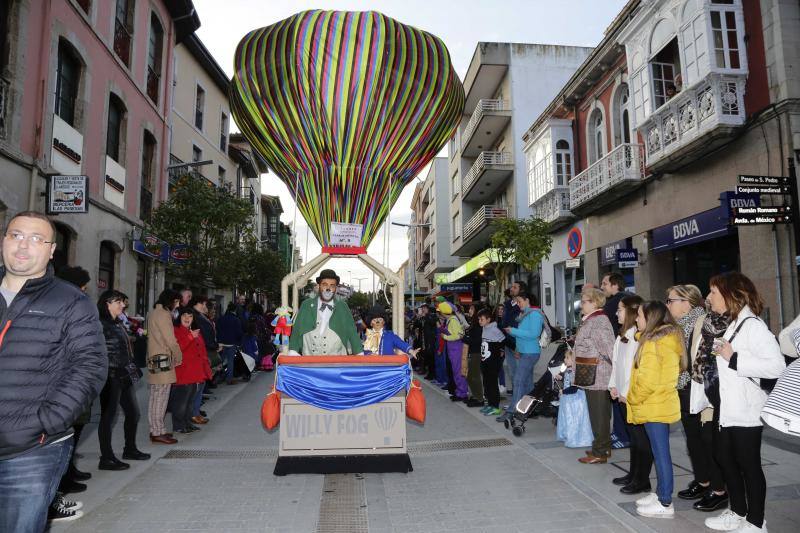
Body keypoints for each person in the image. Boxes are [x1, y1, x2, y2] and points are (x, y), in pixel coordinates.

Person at [0, 211, 107, 531]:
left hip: (30, 449)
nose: (23, 246)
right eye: (16, 235)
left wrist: (46, 422)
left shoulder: (70, 301)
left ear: (50, 251)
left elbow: (89, 366)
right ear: (4, 241)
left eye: (36, 239)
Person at [703, 272, 785, 533]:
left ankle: (756, 521)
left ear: (730, 295)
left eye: (714, 292)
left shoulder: (753, 325)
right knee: (725, 458)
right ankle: (738, 512)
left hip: (747, 410)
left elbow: (777, 366)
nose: (709, 297)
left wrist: (734, 357)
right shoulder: (735, 323)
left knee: (748, 465)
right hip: (729, 409)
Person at [666, 285, 728, 512]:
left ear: (686, 302)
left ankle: (718, 488)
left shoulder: (701, 321)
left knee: (706, 439)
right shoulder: (677, 325)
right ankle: (703, 481)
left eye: (671, 300)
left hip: (698, 388)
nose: (668, 304)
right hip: (684, 387)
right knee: (693, 439)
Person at [628, 301, 683, 518]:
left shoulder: (654, 343)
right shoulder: (663, 339)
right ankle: (661, 492)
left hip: (654, 404)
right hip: (659, 403)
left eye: (639, 316)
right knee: (659, 452)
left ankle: (665, 502)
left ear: (650, 318)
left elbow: (647, 381)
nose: (636, 319)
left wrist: (632, 397)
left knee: (661, 454)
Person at [96, 289, 150, 472]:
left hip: (124, 373)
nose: (122, 305)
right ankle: (107, 457)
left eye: (122, 302)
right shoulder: (101, 324)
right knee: (108, 417)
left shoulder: (117, 323)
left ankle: (130, 449)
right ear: (107, 304)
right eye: (117, 302)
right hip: (111, 376)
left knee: (133, 413)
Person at [608, 294, 652, 494]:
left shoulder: (637, 336)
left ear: (631, 312)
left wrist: (625, 392)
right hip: (622, 394)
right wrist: (613, 386)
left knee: (640, 439)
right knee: (633, 438)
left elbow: (635, 369)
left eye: (620, 309)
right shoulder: (623, 334)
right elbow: (617, 365)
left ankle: (642, 480)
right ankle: (633, 474)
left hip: (632, 395)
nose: (617, 312)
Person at [575, 288, 616, 464]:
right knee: (598, 413)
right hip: (591, 373)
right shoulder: (591, 320)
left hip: (598, 375)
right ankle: (601, 446)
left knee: (599, 415)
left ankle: (600, 452)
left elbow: (609, 348)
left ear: (595, 303)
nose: (581, 305)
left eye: (584, 301)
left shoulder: (599, 321)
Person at [288, 269, 363, 355]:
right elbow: (297, 328)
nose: (328, 288)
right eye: (325, 284)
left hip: (336, 361)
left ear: (335, 288)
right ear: (319, 286)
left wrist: (358, 352)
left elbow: (351, 331)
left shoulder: (342, 306)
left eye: (332, 285)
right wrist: (293, 349)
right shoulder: (306, 305)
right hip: (309, 361)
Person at [500, 292, 544, 422]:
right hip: (526, 352)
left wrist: (513, 331)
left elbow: (533, 334)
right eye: (517, 302)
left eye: (519, 301)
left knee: (518, 381)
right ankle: (531, 409)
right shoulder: (524, 314)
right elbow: (523, 335)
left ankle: (512, 411)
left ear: (527, 300)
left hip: (531, 353)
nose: (518, 304)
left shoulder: (534, 314)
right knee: (527, 383)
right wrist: (518, 349)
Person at [146, 289, 181, 445]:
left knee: (155, 395)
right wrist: (179, 356)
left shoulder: (153, 312)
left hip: (154, 357)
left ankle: (156, 429)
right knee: (161, 397)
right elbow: (170, 340)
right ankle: (157, 431)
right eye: (177, 301)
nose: (177, 305)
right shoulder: (163, 314)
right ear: (170, 300)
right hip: (163, 358)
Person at [171, 307, 211, 434]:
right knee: (181, 401)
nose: (187, 319)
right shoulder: (176, 331)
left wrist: (206, 366)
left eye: (190, 316)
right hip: (183, 372)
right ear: (179, 317)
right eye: (184, 316)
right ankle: (178, 425)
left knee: (190, 401)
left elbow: (202, 351)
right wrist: (190, 337)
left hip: (195, 372)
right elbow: (177, 348)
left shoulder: (194, 331)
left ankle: (187, 423)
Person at [556, 349, 594, 448]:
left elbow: (574, 388)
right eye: (565, 357)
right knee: (567, 417)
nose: (565, 359)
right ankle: (567, 434)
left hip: (575, 400)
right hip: (568, 399)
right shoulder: (568, 369)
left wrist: (563, 391)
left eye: (567, 358)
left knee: (574, 419)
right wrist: (561, 377)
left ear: (574, 360)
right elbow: (567, 380)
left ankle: (575, 438)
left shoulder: (576, 371)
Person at [191, 296, 217, 424]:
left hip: (203, 351)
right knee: (197, 385)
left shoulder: (199, 316)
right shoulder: (196, 317)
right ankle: (193, 413)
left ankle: (195, 411)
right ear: (199, 304)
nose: (206, 307)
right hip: (200, 353)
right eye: (205, 304)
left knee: (200, 384)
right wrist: (214, 346)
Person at [477, 308, 505, 416]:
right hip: (485, 362)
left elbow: (503, 341)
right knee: (487, 384)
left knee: (493, 384)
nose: (480, 321)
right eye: (479, 319)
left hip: (493, 363)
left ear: (488, 319)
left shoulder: (494, 330)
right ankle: (490, 404)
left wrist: (502, 351)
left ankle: (495, 407)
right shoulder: (484, 328)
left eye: (482, 319)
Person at [501, 282, 526, 394]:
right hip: (507, 342)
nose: (511, 288)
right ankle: (516, 394)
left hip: (518, 343)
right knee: (511, 372)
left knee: (520, 372)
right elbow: (504, 322)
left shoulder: (523, 306)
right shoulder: (507, 304)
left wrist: (519, 345)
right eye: (511, 286)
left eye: (515, 287)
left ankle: (521, 396)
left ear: (521, 290)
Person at [462, 304, 485, 408]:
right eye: (470, 308)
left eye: (472, 308)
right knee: (470, 376)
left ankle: (479, 398)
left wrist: (464, 338)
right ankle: (475, 396)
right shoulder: (473, 323)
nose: (470, 310)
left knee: (474, 376)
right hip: (472, 352)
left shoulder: (478, 325)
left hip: (476, 353)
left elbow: (477, 341)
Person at [217, 302, 244, 384]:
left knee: (219, 361)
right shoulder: (236, 320)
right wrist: (239, 342)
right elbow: (239, 333)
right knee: (230, 361)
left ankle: (217, 377)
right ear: (235, 310)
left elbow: (217, 329)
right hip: (232, 343)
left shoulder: (221, 318)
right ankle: (229, 379)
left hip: (221, 343)